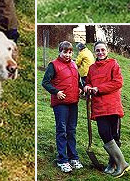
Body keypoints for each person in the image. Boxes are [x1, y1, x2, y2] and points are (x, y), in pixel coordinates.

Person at [84, 41, 130, 177]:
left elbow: (118, 82)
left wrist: (99, 89)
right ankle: (121, 163)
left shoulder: (113, 64)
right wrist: (87, 86)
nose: (100, 52)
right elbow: (89, 81)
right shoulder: (92, 68)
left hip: (112, 105)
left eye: (102, 50)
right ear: (94, 52)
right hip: (98, 106)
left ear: (107, 51)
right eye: (97, 50)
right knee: (104, 133)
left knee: (115, 135)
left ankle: (114, 164)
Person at [42, 41, 84, 173]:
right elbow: (45, 82)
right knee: (62, 130)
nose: (68, 54)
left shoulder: (73, 64)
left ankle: (73, 157)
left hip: (73, 103)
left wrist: (81, 88)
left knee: (72, 130)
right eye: (65, 52)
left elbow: (78, 81)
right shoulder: (53, 65)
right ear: (60, 51)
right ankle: (62, 159)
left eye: (70, 52)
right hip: (60, 104)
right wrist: (56, 92)